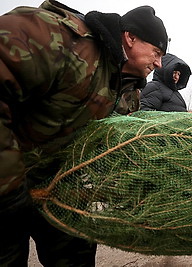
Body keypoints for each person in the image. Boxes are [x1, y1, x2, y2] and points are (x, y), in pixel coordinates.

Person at [0, 0, 168, 266]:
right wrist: (8, 187)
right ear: (131, 37)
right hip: (8, 187)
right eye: (156, 52)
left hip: (61, 191)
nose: (159, 64)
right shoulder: (60, 37)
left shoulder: (131, 92)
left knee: (75, 258)